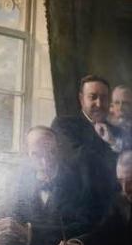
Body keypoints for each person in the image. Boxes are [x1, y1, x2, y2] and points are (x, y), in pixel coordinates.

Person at [0, 126, 95, 245]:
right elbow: (7, 212)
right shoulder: (20, 181)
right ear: (27, 153)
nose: (45, 162)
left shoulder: (78, 182)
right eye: (37, 154)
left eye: (51, 152)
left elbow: (84, 228)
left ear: (58, 149)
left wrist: (30, 233)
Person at [51, 74, 119, 216]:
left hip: (111, 212)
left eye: (104, 98)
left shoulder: (118, 133)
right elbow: (80, 159)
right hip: (75, 211)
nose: (99, 104)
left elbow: (127, 171)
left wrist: (112, 143)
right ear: (81, 99)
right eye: (93, 97)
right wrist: (112, 152)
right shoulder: (64, 125)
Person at [105, 84, 132, 153]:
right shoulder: (105, 129)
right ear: (111, 106)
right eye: (117, 103)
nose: (120, 108)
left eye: (125, 103)